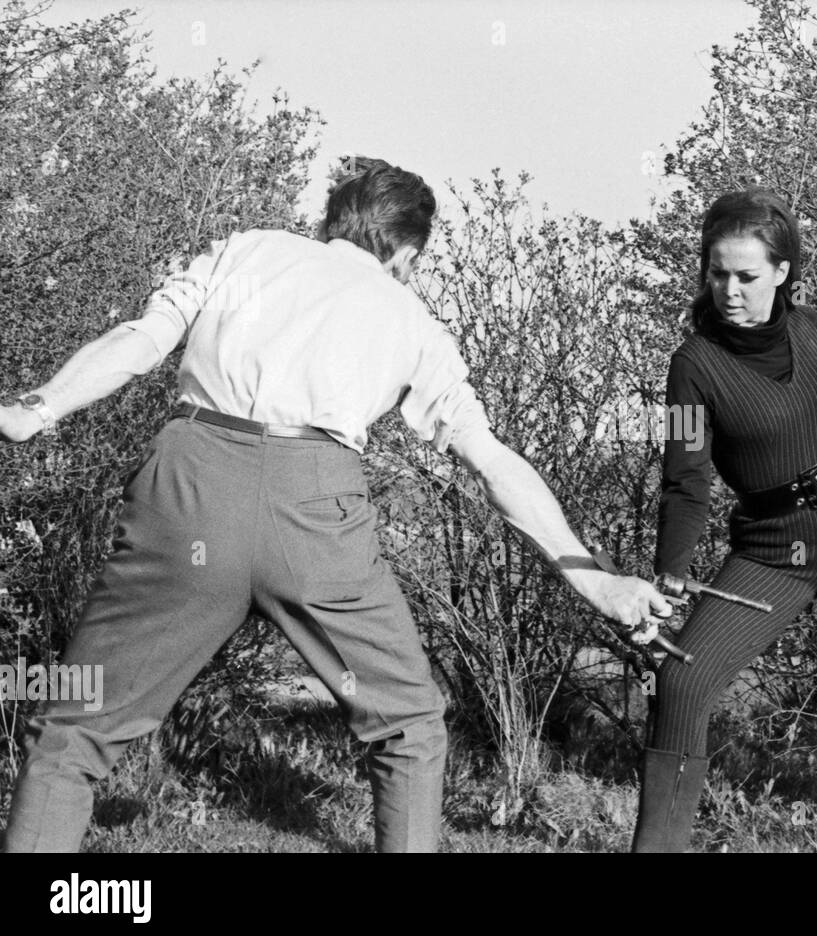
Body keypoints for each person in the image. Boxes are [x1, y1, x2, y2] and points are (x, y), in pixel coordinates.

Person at [0, 157, 672, 853]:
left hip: (191, 484)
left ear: (330, 223)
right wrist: (595, 580)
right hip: (316, 508)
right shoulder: (412, 320)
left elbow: (139, 342)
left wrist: (36, 407)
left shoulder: (247, 249)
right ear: (407, 254)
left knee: (76, 724)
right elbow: (491, 460)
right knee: (408, 723)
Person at [633, 189, 817, 853]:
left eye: (746, 275)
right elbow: (685, 479)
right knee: (682, 677)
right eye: (716, 273)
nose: (729, 289)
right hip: (771, 550)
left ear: (782, 273)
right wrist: (670, 576)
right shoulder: (692, 368)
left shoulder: (810, 326)